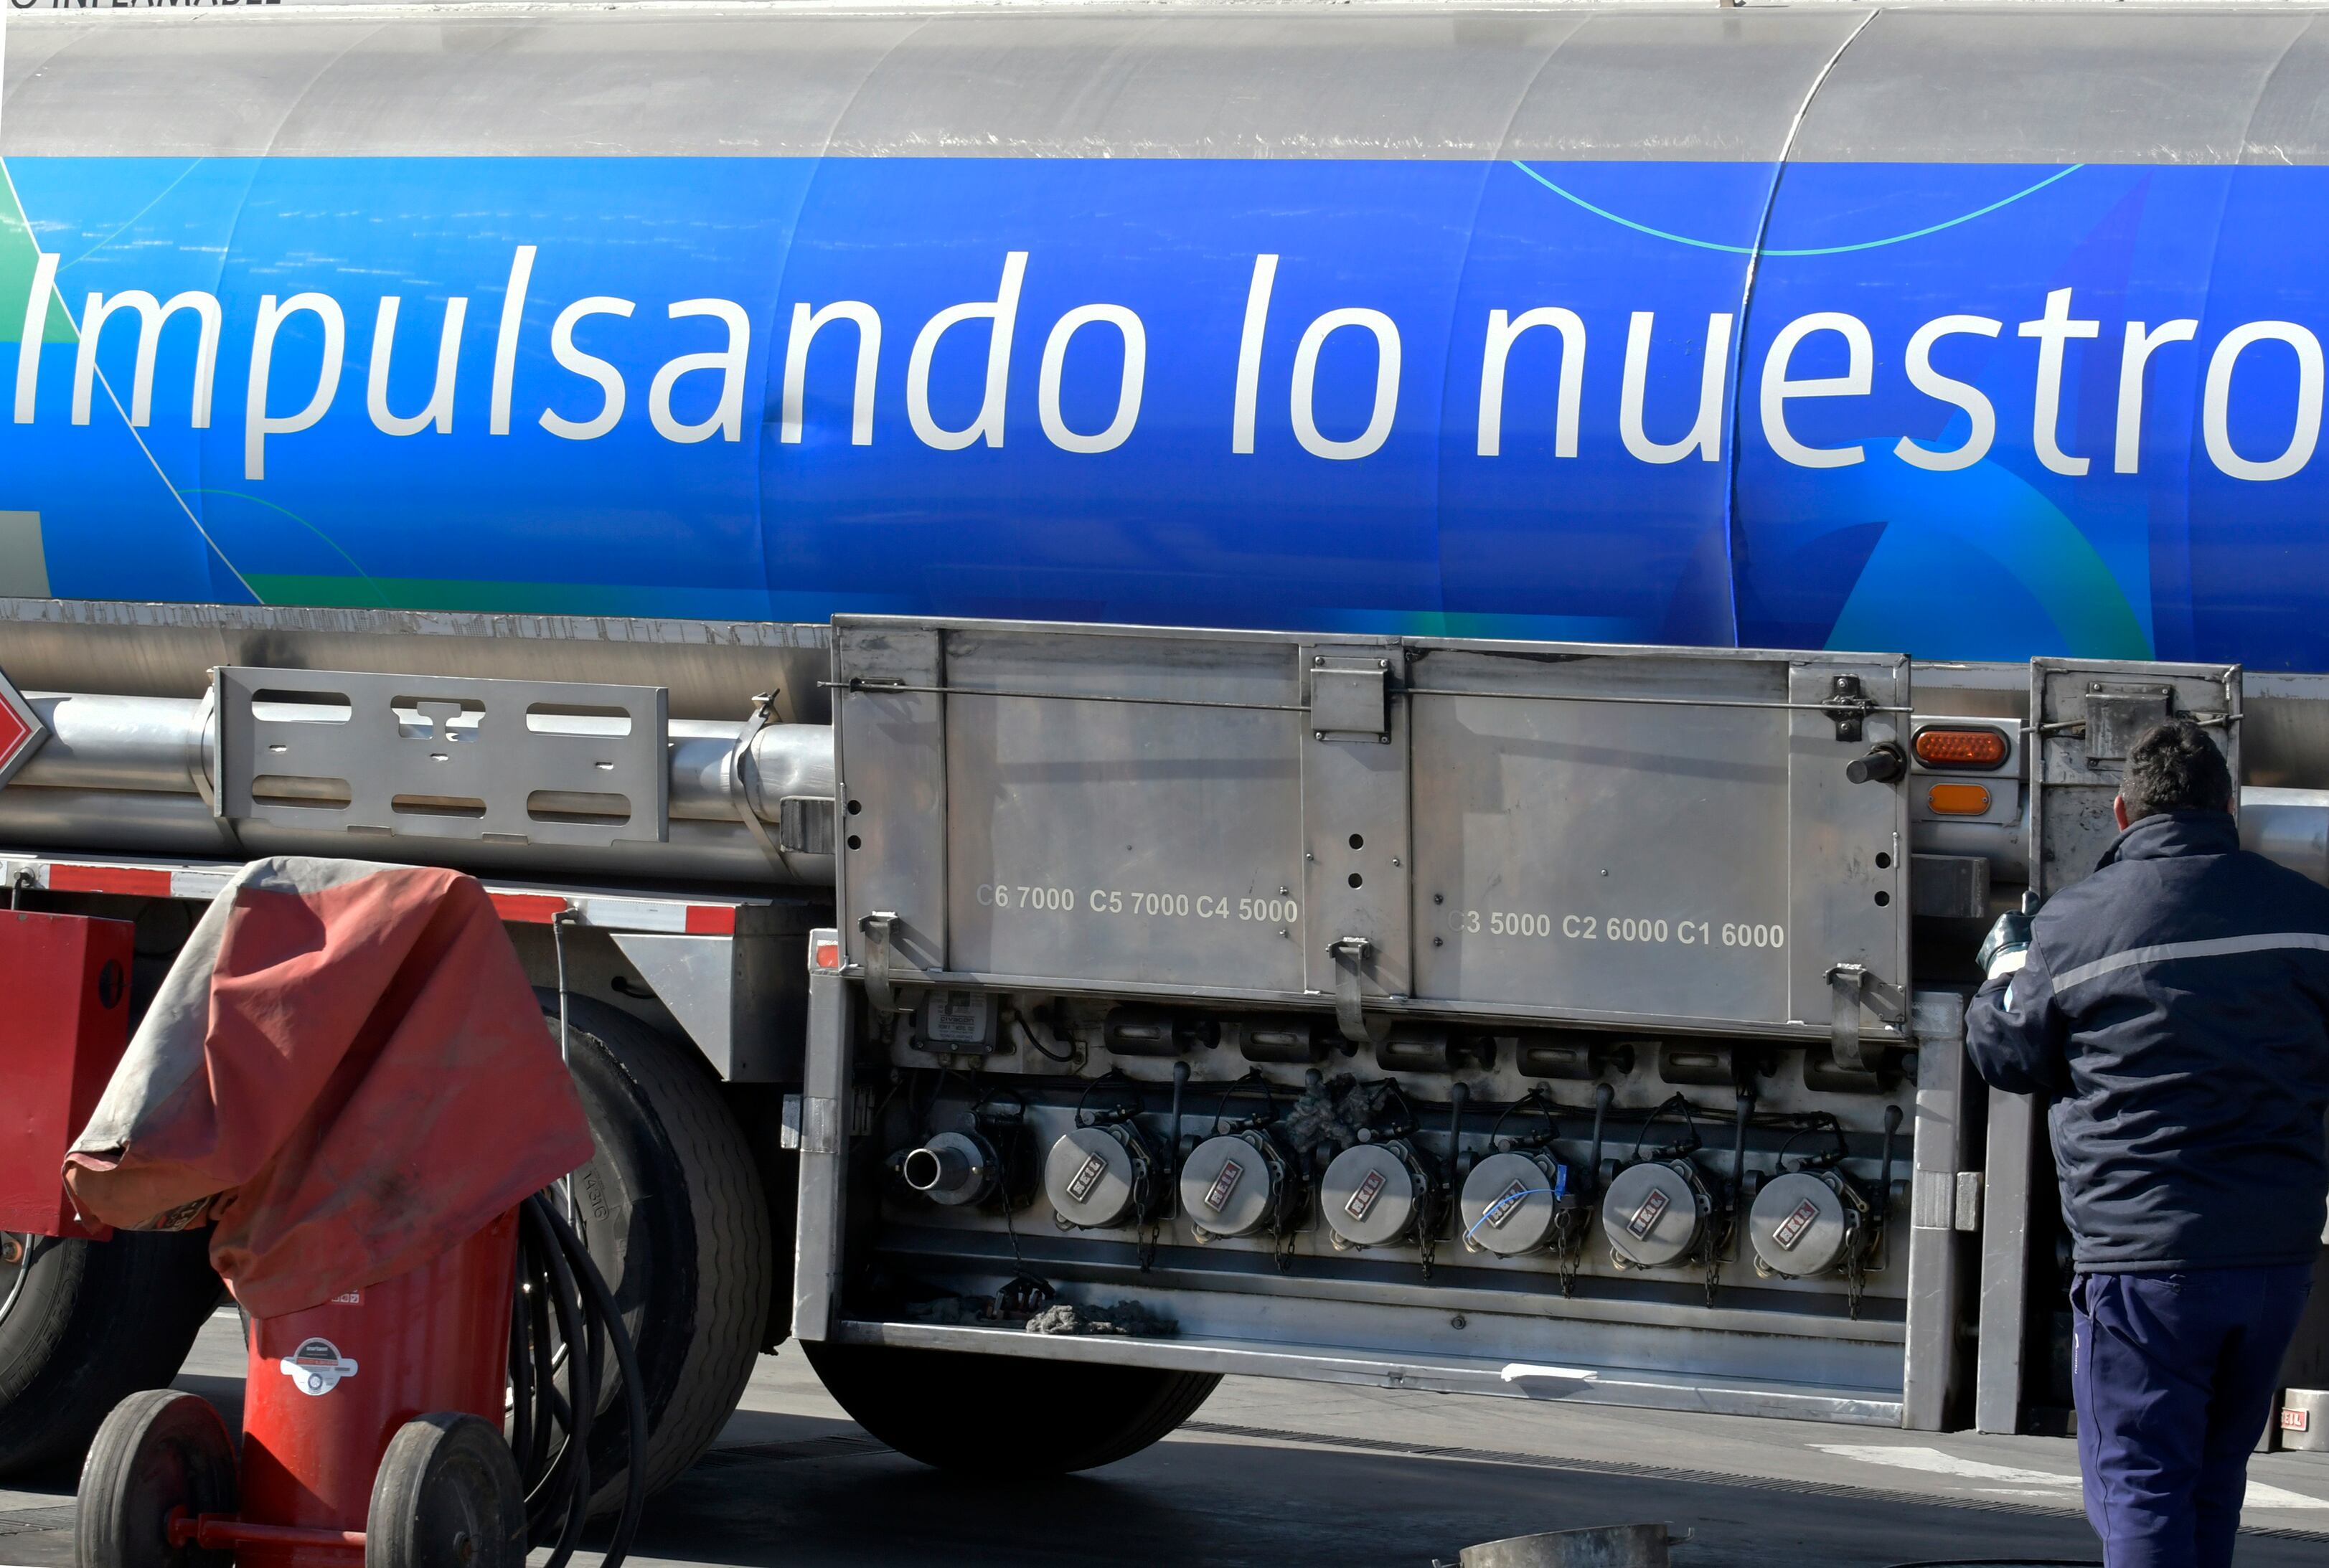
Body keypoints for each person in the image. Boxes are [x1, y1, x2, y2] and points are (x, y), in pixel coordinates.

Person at [1965, 719, 2329, 1568]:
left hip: (2145, 1261)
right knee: (2213, 1476)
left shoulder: (2073, 925)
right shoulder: (2312, 917)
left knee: (2142, 1486)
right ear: (2229, 807)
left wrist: (2003, 968)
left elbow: (2006, 1054)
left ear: (2123, 811)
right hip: (2273, 1260)